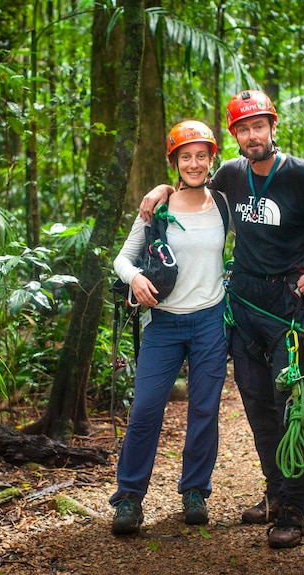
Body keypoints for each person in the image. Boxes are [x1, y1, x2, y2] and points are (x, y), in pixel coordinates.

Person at [139, 89, 304, 549]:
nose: (252, 135)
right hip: (243, 307)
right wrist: (162, 189)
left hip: (288, 310)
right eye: (243, 128)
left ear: (273, 127)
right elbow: (192, 191)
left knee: (291, 407)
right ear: (235, 135)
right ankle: (275, 493)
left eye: (259, 125)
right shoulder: (229, 173)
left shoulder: (303, 176)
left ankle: (296, 508)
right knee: (257, 406)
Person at [108, 120, 230, 536]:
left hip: (211, 320)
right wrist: (134, 279)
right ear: (174, 163)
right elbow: (122, 259)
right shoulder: (155, 209)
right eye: (185, 157)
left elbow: (263, 240)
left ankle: (195, 489)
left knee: (204, 408)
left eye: (201, 155)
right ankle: (129, 497)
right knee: (145, 410)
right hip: (163, 323)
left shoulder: (224, 204)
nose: (194, 163)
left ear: (212, 158)